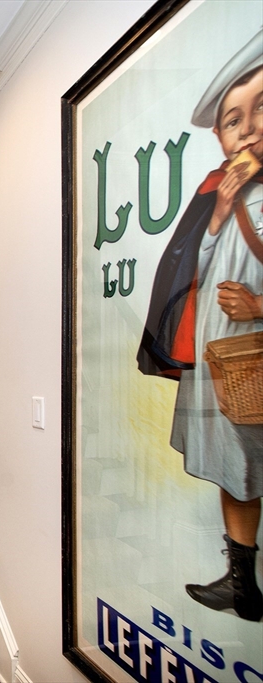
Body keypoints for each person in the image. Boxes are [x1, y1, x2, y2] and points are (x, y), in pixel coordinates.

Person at [137, 29, 263, 622]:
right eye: (235, 120)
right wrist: (217, 213)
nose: (249, 129)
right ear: (222, 136)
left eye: (261, 109)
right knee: (236, 470)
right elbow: (192, 265)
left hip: (251, 349)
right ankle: (242, 583)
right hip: (223, 358)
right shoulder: (219, 191)